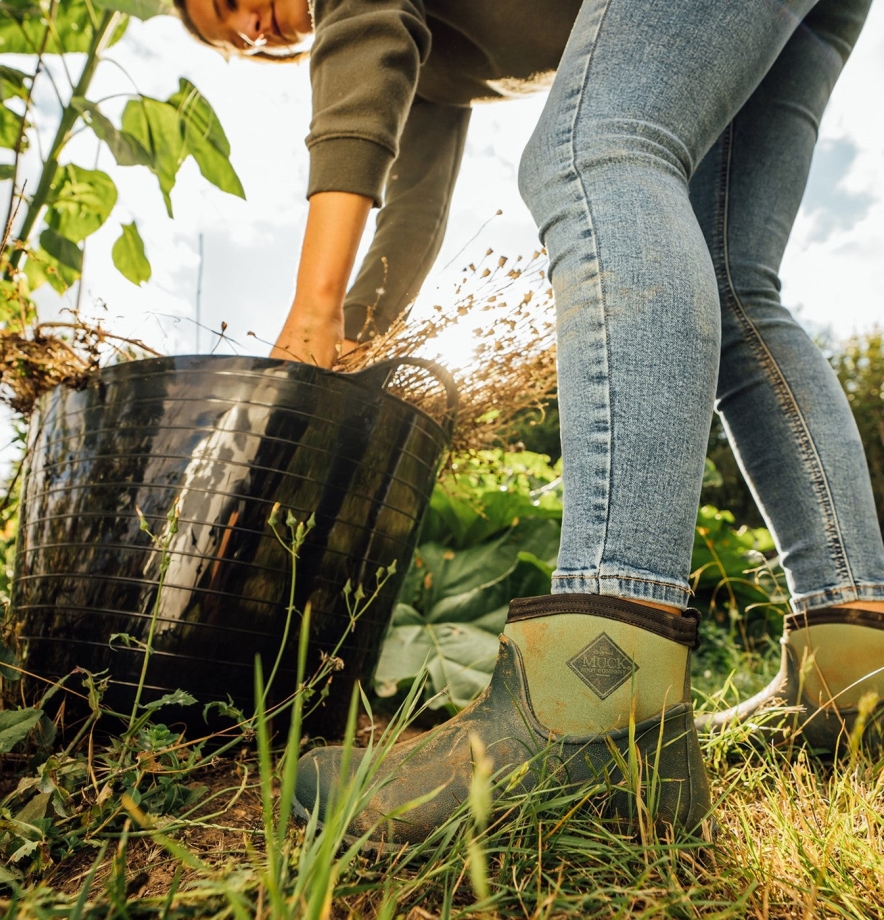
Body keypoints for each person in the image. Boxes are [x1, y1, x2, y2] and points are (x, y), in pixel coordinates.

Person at [176, 0, 884, 847]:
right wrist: (341, 360)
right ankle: (854, 679)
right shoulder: (437, 55)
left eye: (228, 4)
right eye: (237, 39)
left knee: (595, 149)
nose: (254, 29)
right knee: (733, 280)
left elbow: (358, 48)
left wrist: (311, 311)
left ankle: (596, 698)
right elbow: (411, 218)